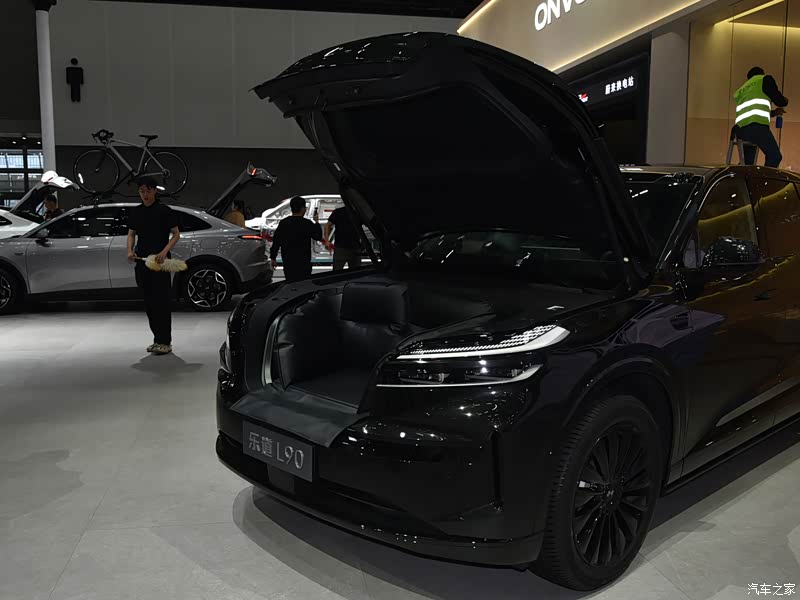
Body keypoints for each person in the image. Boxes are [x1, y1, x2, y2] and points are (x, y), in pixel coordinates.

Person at [127, 176, 180, 355]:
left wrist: (164, 252)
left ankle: (165, 341)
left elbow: (176, 234)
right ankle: (157, 339)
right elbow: (131, 233)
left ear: (155, 191)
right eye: (142, 191)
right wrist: (129, 250)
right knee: (149, 302)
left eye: (148, 191)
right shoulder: (136, 212)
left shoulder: (164, 211)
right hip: (142, 262)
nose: (145, 194)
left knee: (162, 302)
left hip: (160, 263)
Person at [733, 66, 789, 168]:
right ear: (761, 73)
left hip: (740, 130)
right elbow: (779, 101)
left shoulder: (742, 89)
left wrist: (774, 113)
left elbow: (752, 110)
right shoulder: (764, 79)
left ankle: (743, 177)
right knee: (775, 156)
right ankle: (765, 178)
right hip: (757, 128)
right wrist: (784, 101)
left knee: (748, 163)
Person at [270, 195, 322, 283]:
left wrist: (273, 257)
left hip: (288, 260)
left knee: (290, 283)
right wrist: (316, 222)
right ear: (302, 209)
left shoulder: (284, 223)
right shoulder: (307, 223)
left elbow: (276, 241)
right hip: (303, 260)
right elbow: (318, 237)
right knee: (303, 283)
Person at [325, 205, 361, 271]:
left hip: (345, 247)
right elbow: (328, 225)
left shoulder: (339, 211)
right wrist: (327, 240)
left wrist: (327, 241)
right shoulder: (358, 212)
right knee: (355, 272)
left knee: (338, 272)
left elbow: (328, 225)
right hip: (349, 247)